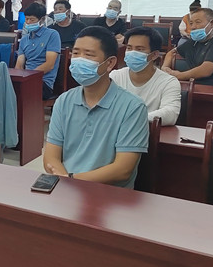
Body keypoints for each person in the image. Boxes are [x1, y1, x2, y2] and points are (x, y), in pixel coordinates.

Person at [43, 26, 149, 188]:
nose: (79, 59)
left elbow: (123, 169)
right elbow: (50, 158)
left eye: (89, 55)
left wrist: (71, 180)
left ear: (110, 63)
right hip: (65, 187)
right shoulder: (64, 100)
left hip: (107, 194)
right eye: (76, 53)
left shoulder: (133, 107)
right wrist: (65, 182)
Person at [110, 27, 181, 126]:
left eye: (139, 49)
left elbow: (171, 114)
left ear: (154, 55)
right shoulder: (115, 76)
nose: (132, 53)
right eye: (129, 48)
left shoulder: (169, 82)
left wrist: (133, 120)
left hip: (147, 131)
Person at [162, 7, 213, 86]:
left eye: (198, 22)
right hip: (194, 85)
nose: (193, 27)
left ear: (212, 23)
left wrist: (179, 75)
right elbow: (172, 52)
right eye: (191, 23)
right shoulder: (194, 42)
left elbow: (206, 71)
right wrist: (165, 67)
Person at [16, 2, 61, 99]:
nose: (28, 22)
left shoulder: (52, 35)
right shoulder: (24, 40)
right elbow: (19, 65)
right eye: (26, 19)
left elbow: (49, 64)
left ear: (42, 19)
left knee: (19, 93)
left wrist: (29, 76)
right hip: (26, 80)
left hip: (43, 82)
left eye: (32, 20)